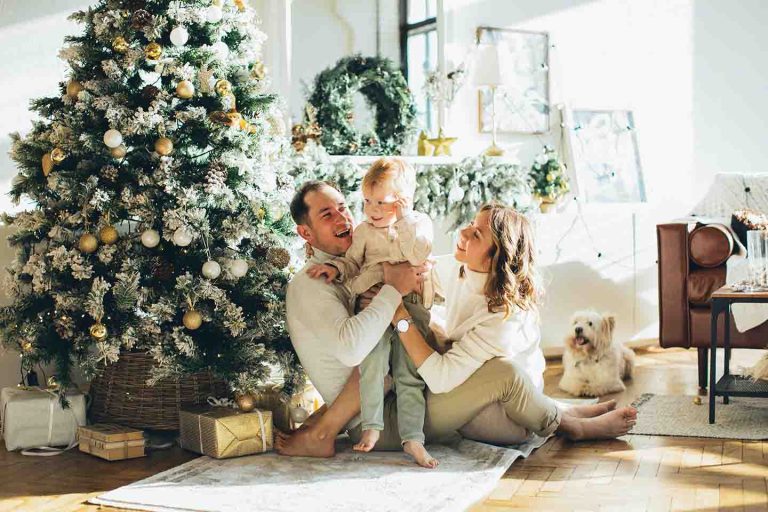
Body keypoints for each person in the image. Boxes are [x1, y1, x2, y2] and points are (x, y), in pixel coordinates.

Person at [279, 181, 637, 459]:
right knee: (503, 379)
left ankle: (564, 415)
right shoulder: (313, 283)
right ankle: (568, 422)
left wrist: (402, 304)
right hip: (382, 416)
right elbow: (355, 348)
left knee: (496, 383)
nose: (343, 218)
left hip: (407, 391)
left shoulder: (354, 264)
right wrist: (394, 297)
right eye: (327, 215)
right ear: (306, 233)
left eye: (344, 208)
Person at [307, 158, 437, 467]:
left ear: (404, 202)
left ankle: (413, 439)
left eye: (381, 202)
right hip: (372, 304)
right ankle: (372, 427)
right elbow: (352, 262)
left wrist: (403, 220)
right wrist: (334, 268)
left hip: (410, 307)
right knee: (373, 366)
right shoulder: (365, 231)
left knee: (409, 373)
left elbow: (418, 254)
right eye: (367, 201)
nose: (372, 209)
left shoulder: (418, 224)